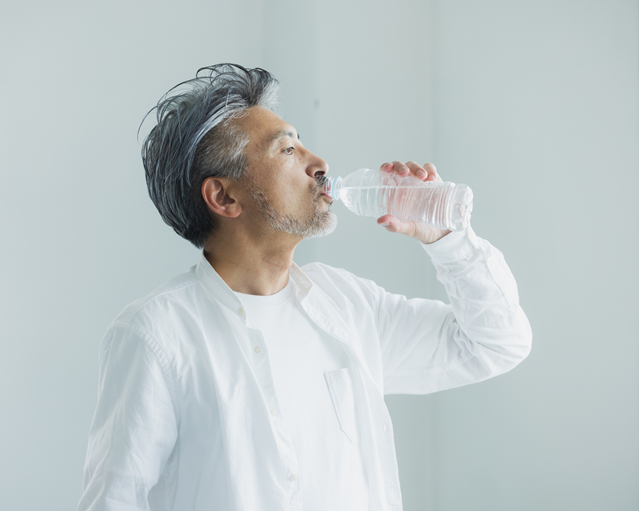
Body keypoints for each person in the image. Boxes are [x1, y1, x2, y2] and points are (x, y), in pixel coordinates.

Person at [76, 64, 532, 511]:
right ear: (224, 197)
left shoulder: (350, 307)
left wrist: (449, 241)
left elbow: (495, 343)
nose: (319, 163)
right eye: (287, 151)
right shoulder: (155, 336)